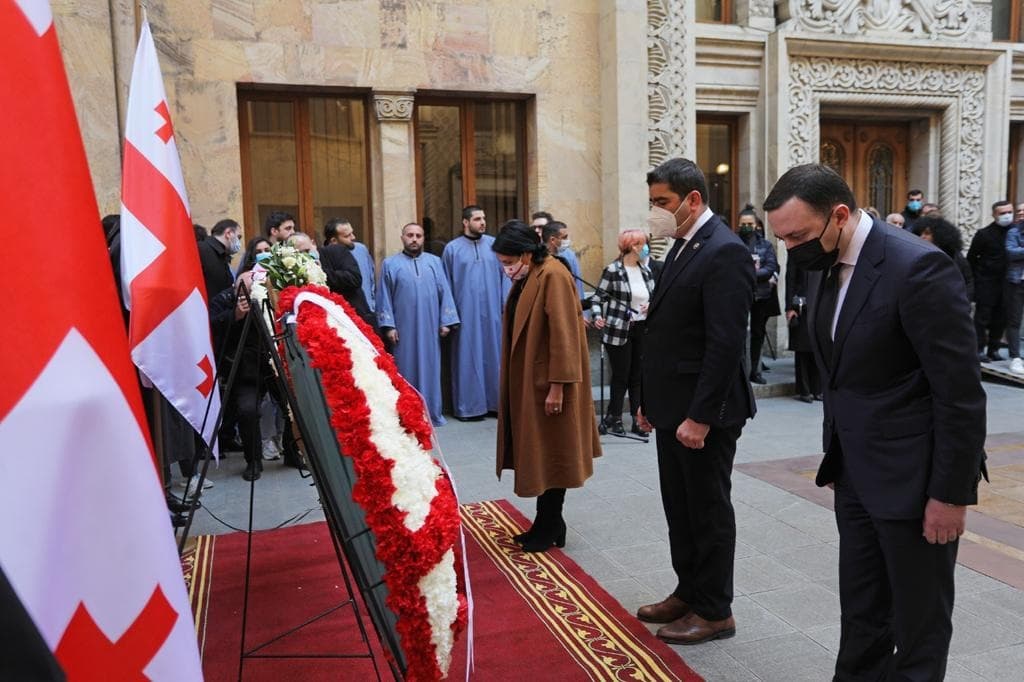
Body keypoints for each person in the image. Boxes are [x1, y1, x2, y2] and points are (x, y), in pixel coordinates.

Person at [764, 163, 987, 681]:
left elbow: (959, 394)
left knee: (918, 620)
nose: (791, 249)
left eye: (797, 236)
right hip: (855, 474)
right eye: (782, 239)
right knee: (862, 610)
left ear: (839, 215)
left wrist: (951, 494)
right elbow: (841, 373)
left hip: (916, 481)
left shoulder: (918, 268)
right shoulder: (823, 261)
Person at [634, 158, 755, 645]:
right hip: (673, 406)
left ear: (693, 199)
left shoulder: (725, 250)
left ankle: (714, 609)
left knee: (706, 510)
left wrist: (700, 416)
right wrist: (648, 400)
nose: (656, 212)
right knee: (679, 509)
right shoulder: (683, 245)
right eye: (652, 202)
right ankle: (688, 590)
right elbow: (664, 333)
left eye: (662, 202)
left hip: (705, 412)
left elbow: (725, 344)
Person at [492, 221, 600, 553]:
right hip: (531, 378)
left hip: (549, 383)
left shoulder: (553, 274)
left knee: (553, 453)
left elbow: (564, 336)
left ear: (526, 253)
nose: (506, 269)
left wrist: (558, 387)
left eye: (509, 262)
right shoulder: (531, 275)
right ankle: (549, 522)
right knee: (543, 453)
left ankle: (549, 524)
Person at [376, 223, 460, 425]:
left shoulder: (435, 262)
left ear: (423, 238)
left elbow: (445, 291)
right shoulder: (390, 264)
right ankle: (408, 415)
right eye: (410, 235)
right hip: (403, 329)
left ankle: (431, 413)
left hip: (430, 327)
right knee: (405, 369)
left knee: (431, 368)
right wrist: (389, 326)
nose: (414, 239)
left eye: (418, 236)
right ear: (402, 238)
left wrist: (446, 321)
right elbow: (384, 296)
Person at [442, 205, 510, 420]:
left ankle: (496, 404)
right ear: (465, 222)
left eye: (484, 218)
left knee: (494, 356)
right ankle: (469, 407)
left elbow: (506, 276)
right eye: (477, 219)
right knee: (466, 358)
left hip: (493, 314)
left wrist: (506, 306)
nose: (483, 223)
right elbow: (445, 284)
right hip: (465, 315)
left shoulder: (495, 246)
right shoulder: (452, 249)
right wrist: (449, 316)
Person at [590, 229, 655, 436]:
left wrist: (651, 305)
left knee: (637, 376)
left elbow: (654, 295)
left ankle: (637, 419)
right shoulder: (613, 270)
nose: (647, 248)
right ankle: (616, 417)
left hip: (642, 328)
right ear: (633, 246)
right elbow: (597, 298)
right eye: (644, 244)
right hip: (618, 330)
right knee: (621, 376)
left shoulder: (645, 270)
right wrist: (597, 316)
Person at [735, 205, 780, 384]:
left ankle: (755, 371)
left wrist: (750, 274)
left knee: (757, 334)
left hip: (761, 295)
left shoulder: (766, 245)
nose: (746, 227)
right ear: (738, 225)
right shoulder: (732, 243)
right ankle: (740, 372)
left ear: (756, 225)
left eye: (750, 224)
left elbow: (770, 267)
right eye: (743, 224)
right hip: (739, 295)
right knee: (738, 333)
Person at [968, 200, 1013, 362]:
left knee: (1001, 318)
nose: (1007, 216)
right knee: (982, 318)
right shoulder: (984, 234)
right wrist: (977, 280)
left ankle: (994, 349)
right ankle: (979, 349)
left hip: (1008, 283)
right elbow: (971, 258)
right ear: (994, 214)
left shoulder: (1015, 232)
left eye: (1009, 212)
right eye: (1002, 213)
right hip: (987, 282)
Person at [911, 216, 974, 301]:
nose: (922, 237)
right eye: (920, 233)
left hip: (951, 301)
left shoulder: (955, 256)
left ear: (938, 235)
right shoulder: (916, 254)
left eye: (927, 233)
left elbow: (968, 281)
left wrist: (964, 301)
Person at [784, 262, 821, 402]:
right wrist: (789, 307)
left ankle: (817, 389)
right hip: (800, 308)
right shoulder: (797, 254)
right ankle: (804, 390)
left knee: (817, 349)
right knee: (802, 350)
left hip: (818, 305)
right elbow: (790, 279)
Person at [325, 217, 376, 312]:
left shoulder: (361, 249)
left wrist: (372, 305)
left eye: (352, 233)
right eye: (347, 236)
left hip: (367, 310)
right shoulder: (325, 258)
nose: (353, 237)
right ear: (334, 241)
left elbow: (371, 278)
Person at [542, 220, 585, 303]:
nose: (568, 240)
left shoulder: (570, 256)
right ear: (553, 240)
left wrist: (580, 308)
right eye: (564, 237)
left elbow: (577, 285)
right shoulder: (538, 260)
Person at [1005, 220, 1024, 374]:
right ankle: (1015, 357)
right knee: (1014, 320)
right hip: (1017, 282)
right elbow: (1011, 252)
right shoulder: (1014, 232)